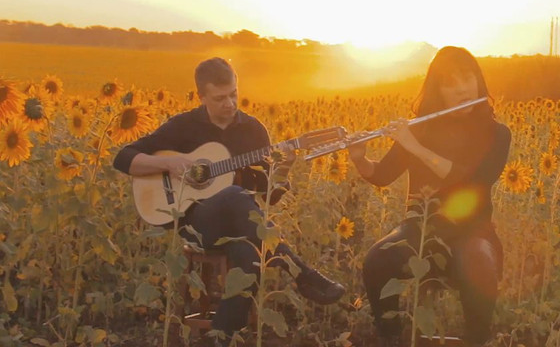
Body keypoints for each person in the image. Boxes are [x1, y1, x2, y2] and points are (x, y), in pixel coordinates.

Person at [113, 57, 344, 342]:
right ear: (202, 97)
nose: (230, 103)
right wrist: (172, 164)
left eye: (234, 94)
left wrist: (284, 169)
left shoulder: (253, 130)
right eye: (220, 98)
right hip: (195, 224)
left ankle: (219, 337)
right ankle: (302, 271)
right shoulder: (182, 126)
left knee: (249, 255)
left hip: (242, 229)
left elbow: (269, 197)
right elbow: (123, 158)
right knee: (235, 194)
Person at [348, 46, 511, 347]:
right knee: (377, 261)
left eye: (467, 77)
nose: (461, 88)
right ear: (438, 91)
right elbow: (382, 175)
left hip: (472, 230)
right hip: (420, 227)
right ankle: (391, 337)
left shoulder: (497, 134)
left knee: (479, 264)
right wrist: (360, 158)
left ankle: (476, 342)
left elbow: (474, 182)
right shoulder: (421, 129)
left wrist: (416, 148)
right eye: (450, 82)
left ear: (478, 80)